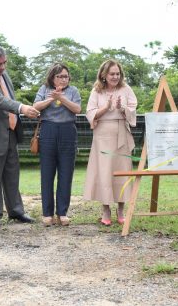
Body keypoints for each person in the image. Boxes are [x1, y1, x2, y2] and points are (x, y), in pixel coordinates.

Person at [0, 44, 40, 229]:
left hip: (10, 131)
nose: (2, 67)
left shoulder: (3, 74)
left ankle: (16, 211)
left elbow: (8, 95)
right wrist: (22, 108)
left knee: (12, 174)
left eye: (4, 63)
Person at [84, 59, 137, 226]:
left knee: (122, 171)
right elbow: (90, 113)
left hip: (121, 133)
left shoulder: (126, 89)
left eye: (117, 73)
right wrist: (106, 108)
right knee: (104, 171)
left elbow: (133, 108)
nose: (115, 76)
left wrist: (122, 108)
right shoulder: (96, 91)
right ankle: (105, 209)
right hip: (102, 136)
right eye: (112, 74)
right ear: (104, 75)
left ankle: (121, 209)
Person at [33, 63, 81, 226]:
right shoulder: (44, 89)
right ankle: (47, 213)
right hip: (48, 130)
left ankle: (62, 212)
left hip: (68, 130)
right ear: (52, 77)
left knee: (66, 173)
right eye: (59, 76)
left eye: (65, 76)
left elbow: (77, 109)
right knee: (47, 173)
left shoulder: (73, 91)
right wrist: (52, 98)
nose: (63, 79)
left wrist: (62, 98)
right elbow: (36, 106)